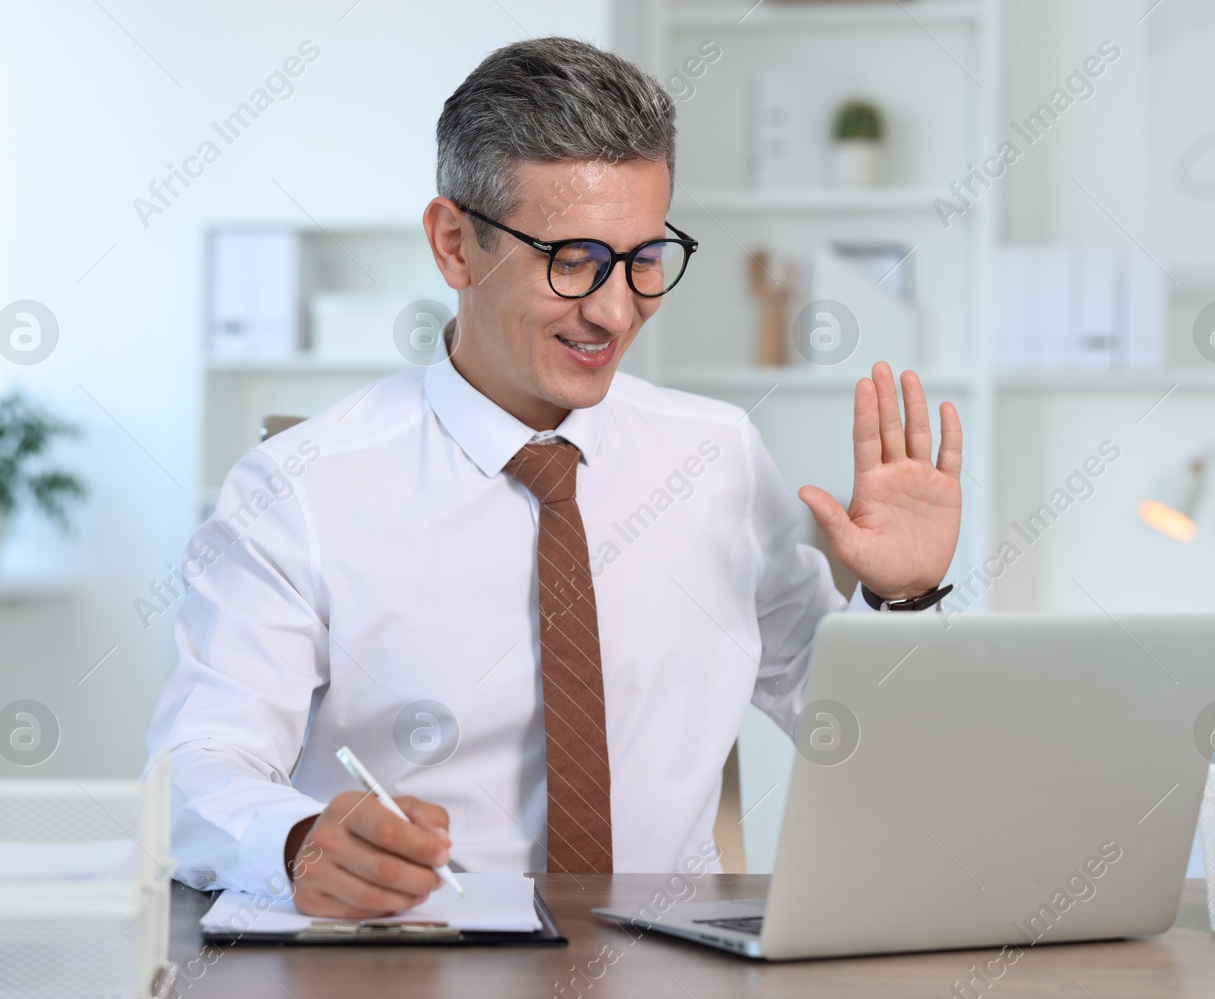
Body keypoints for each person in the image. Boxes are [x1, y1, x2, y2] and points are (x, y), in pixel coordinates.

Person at [147, 36, 962, 919]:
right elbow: (196, 772)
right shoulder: (297, 490)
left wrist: (906, 602)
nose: (616, 309)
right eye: (572, 259)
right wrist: (301, 841)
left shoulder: (716, 456)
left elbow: (856, 736)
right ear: (455, 244)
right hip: (412, 970)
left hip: (675, 982)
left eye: (646, 257)